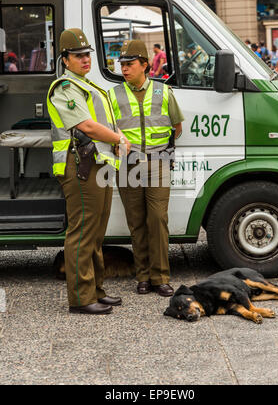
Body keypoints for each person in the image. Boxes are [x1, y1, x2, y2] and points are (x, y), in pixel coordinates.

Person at [47, 28, 131, 315]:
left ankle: (96, 289)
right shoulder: (65, 88)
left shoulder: (88, 86)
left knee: (95, 232)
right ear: (65, 59)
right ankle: (82, 298)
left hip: (98, 164)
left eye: (87, 55)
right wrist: (118, 138)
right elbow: (87, 126)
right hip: (80, 166)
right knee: (82, 232)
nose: (85, 60)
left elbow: (104, 121)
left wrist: (118, 135)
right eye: (78, 56)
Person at [109, 39, 184, 297]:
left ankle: (160, 276)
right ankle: (143, 276)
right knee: (136, 222)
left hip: (158, 161)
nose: (125, 69)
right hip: (128, 164)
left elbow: (177, 126)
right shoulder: (113, 95)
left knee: (158, 220)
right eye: (122, 65)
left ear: (144, 65)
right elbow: (107, 129)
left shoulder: (164, 92)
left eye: (130, 64)